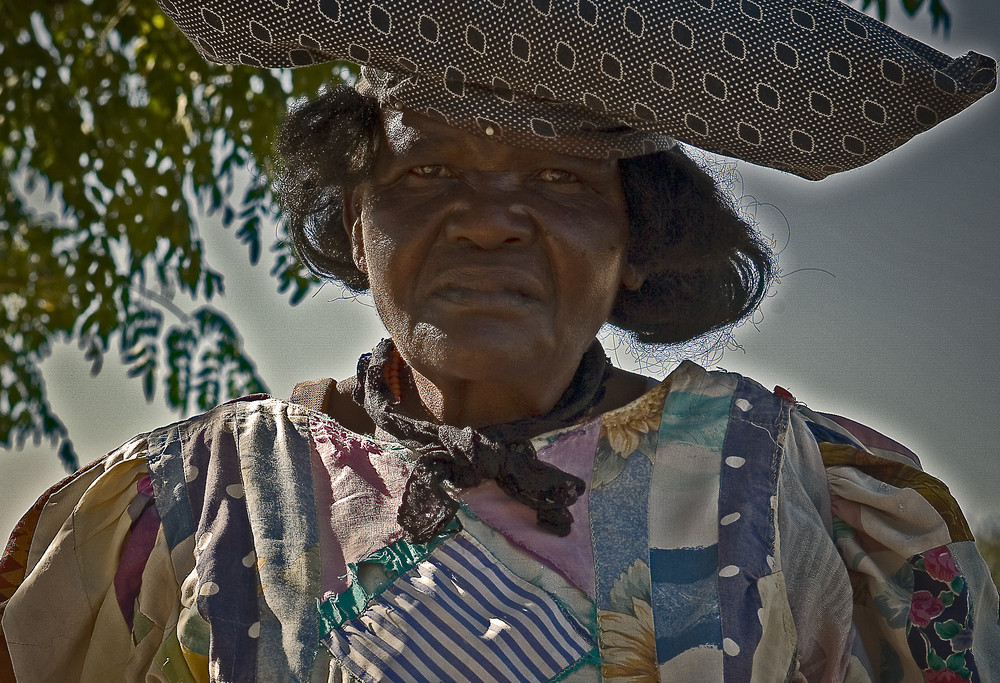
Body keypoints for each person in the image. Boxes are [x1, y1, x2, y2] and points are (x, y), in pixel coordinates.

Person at [2, 0, 998, 681]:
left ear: (635, 240)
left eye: (561, 180)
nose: (487, 221)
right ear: (355, 223)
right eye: (425, 174)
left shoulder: (798, 487)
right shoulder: (187, 505)